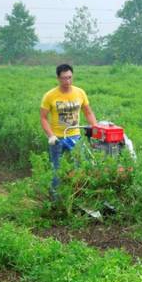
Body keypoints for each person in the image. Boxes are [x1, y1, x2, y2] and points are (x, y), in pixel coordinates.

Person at [40, 63, 97, 195]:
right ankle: (55, 198)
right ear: (58, 78)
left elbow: (88, 113)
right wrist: (50, 135)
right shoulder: (50, 96)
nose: (67, 81)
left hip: (75, 137)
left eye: (70, 77)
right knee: (57, 170)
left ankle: (77, 195)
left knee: (80, 167)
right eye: (64, 78)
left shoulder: (80, 92)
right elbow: (43, 118)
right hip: (57, 138)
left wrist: (96, 129)